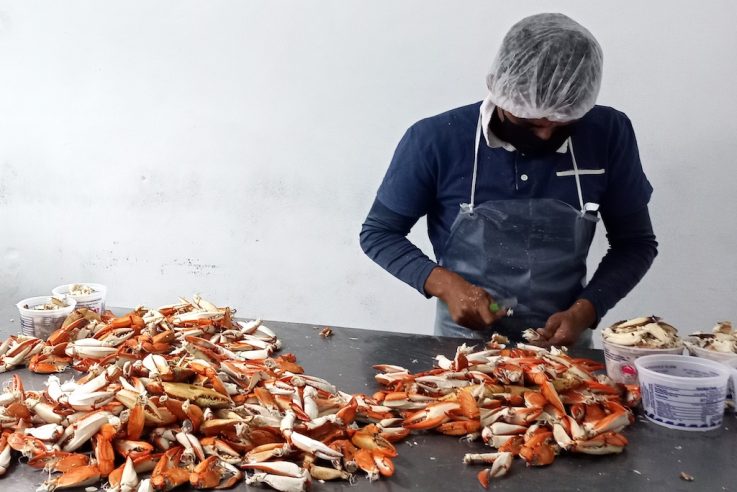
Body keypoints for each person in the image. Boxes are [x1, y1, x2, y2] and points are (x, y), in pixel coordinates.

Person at [360, 13, 658, 347]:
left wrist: (586, 310)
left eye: (562, 123)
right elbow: (379, 233)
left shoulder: (608, 134)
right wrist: (446, 285)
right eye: (530, 123)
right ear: (500, 90)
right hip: (463, 348)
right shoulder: (436, 140)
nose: (545, 135)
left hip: (563, 348)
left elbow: (635, 243)